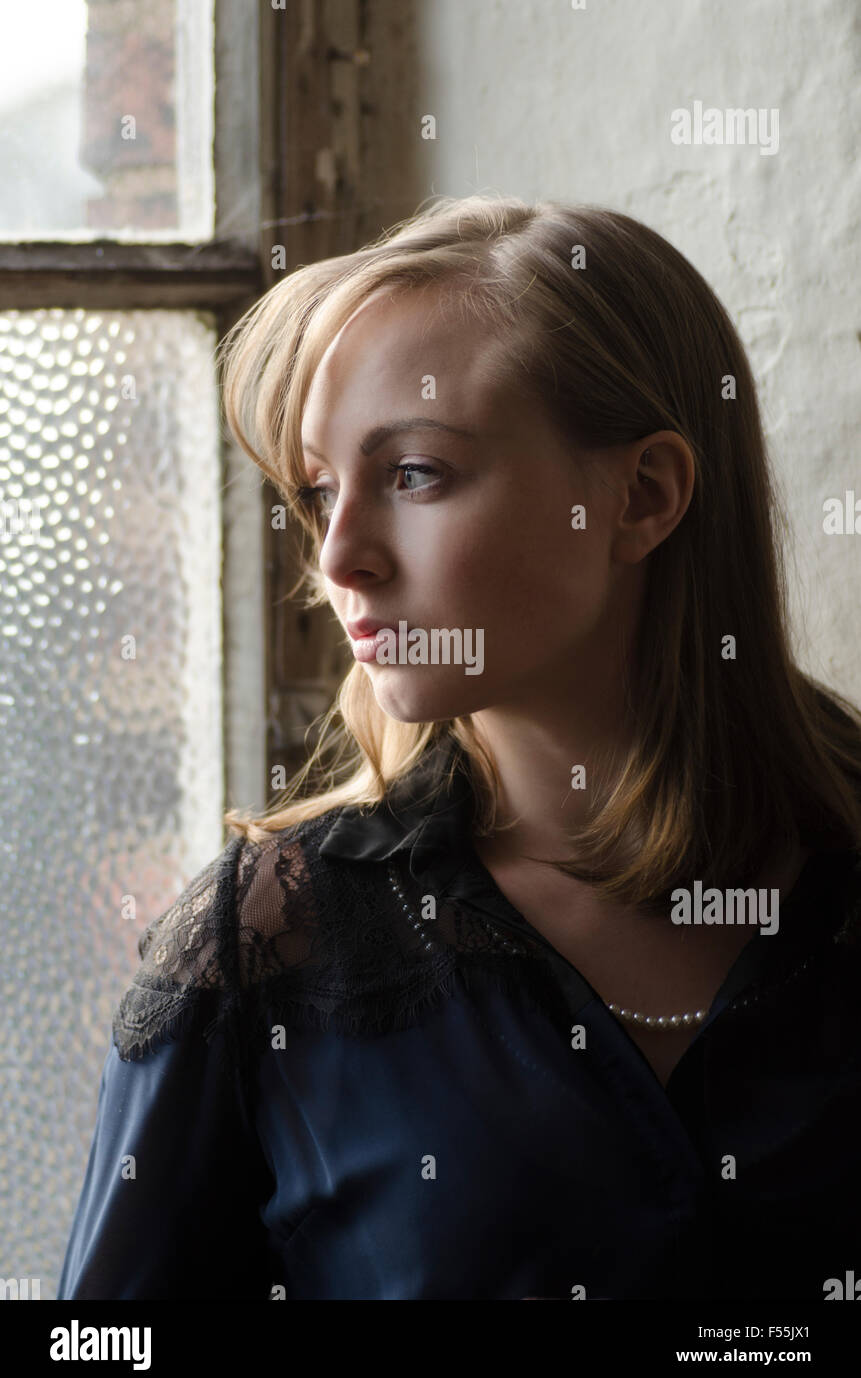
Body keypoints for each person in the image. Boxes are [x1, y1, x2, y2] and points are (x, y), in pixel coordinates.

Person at [58, 195, 861, 1300]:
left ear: (644, 495)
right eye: (321, 489)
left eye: (416, 474)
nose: (340, 556)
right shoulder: (267, 949)